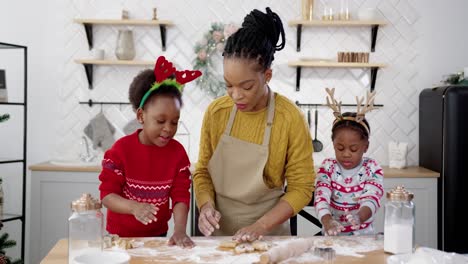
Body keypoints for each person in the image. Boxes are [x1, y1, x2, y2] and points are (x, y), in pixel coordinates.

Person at [193, 7, 315, 242]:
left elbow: (302, 188)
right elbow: (202, 172)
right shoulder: (216, 113)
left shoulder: (289, 118)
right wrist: (206, 206)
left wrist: (261, 226)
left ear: (267, 76)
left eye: (246, 87)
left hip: (268, 238)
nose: (236, 95)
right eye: (229, 85)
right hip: (216, 240)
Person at [98, 56, 201, 247]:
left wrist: (179, 231)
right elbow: (107, 195)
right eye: (160, 121)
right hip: (120, 238)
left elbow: (180, 196)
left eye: (174, 121)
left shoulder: (177, 153)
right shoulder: (120, 151)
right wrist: (134, 207)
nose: (168, 129)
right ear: (141, 116)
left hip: (158, 236)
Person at [314, 88, 384, 236]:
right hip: (333, 236)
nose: (346, 154)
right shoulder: (328, 167)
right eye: (340, 148)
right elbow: (321, 196)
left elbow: (371, 197)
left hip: (364, 237)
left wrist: (359, 217)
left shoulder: (371, 168)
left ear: (365, 147)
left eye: (353, 149)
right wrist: (327, 221)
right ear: (333, 145)